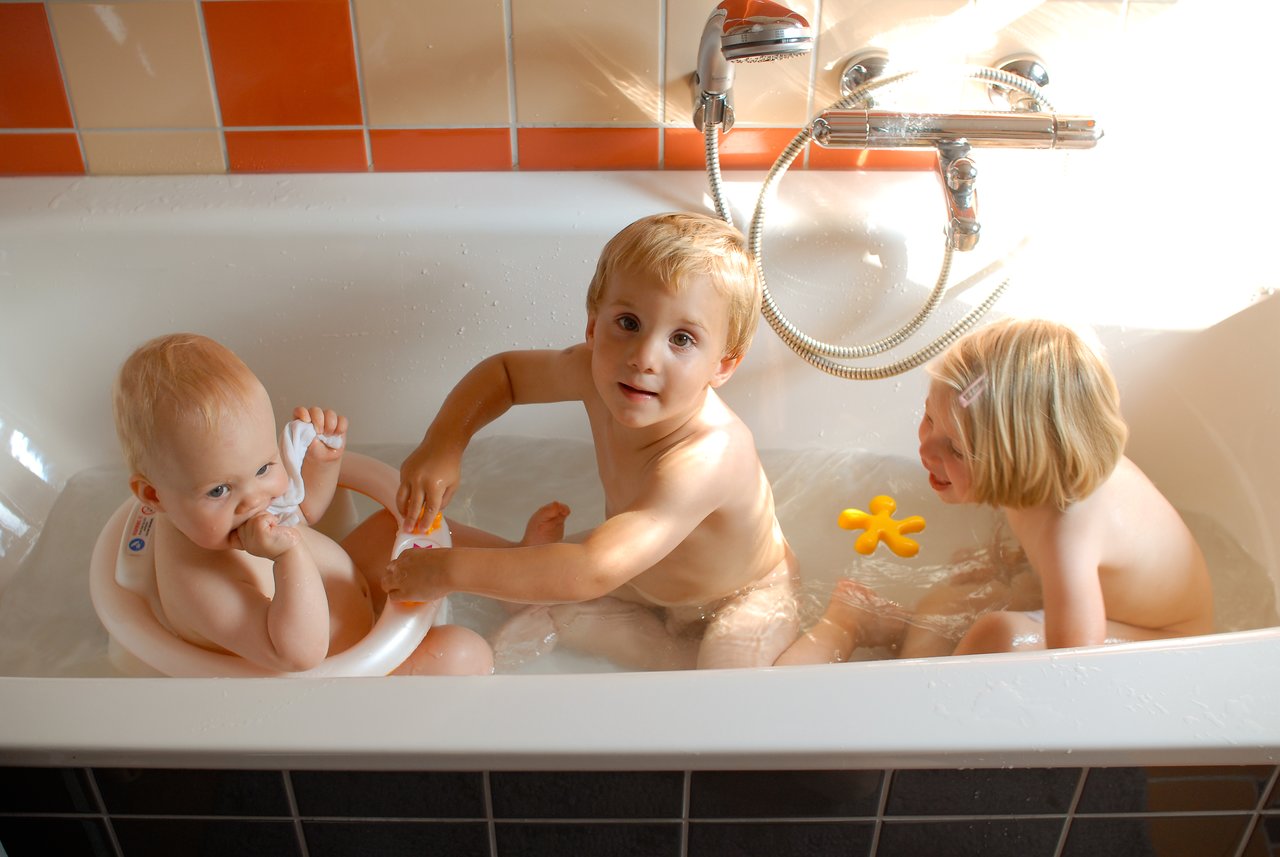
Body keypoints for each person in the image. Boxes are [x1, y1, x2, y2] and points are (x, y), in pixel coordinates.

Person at [383, 212, 800, 670]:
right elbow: (505, 375)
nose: (643, 358)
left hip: (737, 597)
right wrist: (443, 444)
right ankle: (658, 645)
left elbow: (593, 567)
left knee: (724, 692)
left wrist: (448, 570)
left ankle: (845, 623)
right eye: (628, 323)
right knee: (526, 597)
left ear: (723, 365)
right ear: (592, 324)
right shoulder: (592, 372)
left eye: (682, 338)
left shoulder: (709, 455)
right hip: (640, 572)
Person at [776, 318, 1214, 665]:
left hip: (1165, 643)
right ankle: (894, 642)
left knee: (998, 634)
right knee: (946, 603)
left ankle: (927, 713)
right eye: (929, 419)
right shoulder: (1044, 468)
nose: (925, 448)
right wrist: (1007, 565)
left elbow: (1077, 661)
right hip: (1095, 599)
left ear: (1017, 462)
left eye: (956, 449)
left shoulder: (1068, 531)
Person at [112, 333, 494, 675]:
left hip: (353, 593)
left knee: (395, 524)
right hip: (346, 671)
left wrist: (322, 466)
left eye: (264, 467)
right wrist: (287, 557)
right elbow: (299, 655)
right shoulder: (199, 582)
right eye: (218, 491)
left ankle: (513, 563)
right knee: (464, 654)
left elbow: (303, 514)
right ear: (153, 496)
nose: (257, 499)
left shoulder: (229, 509)